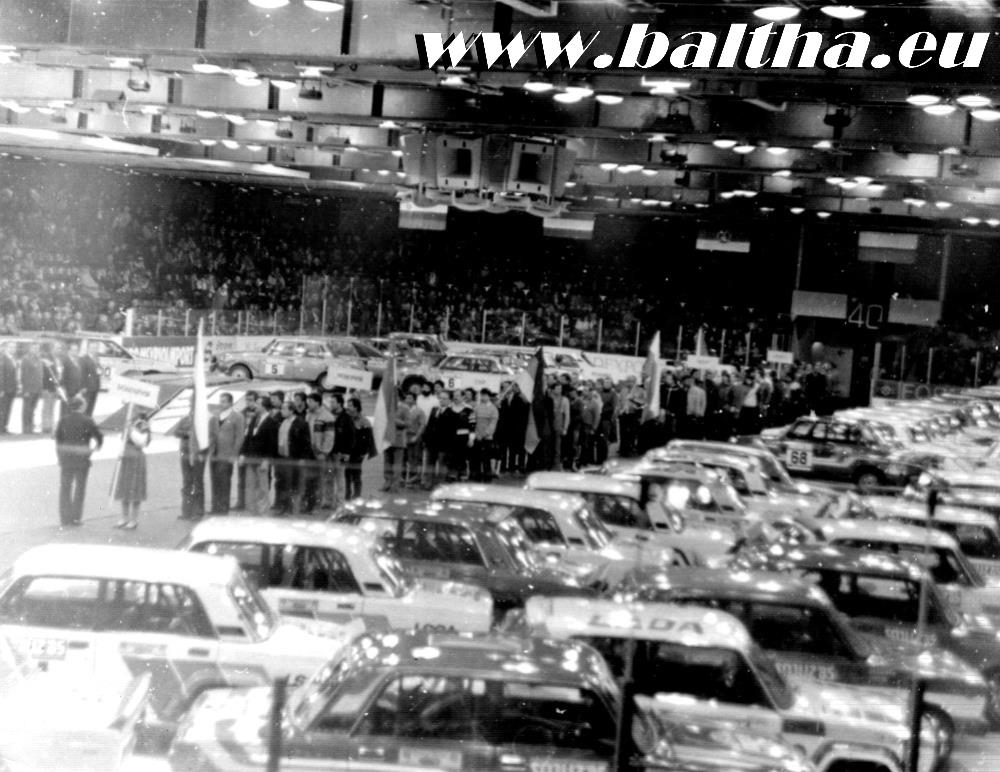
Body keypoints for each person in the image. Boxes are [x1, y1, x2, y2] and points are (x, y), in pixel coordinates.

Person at [54, 395, 103, 527]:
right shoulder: (88, 421)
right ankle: (76, 517)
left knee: (65, 488)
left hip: (66, 458)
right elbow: (99, 436)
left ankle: (65, 518)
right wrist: (96, 448)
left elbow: (58, 440)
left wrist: (60, 456)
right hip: (82, 458)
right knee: (80, 488)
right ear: (82, 406)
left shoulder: (63, 420)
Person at [243, 395, 280, 516]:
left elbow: (272, 443)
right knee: (250, 485)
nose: (255, 406)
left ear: (264, 407)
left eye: (258, 404)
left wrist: (267, 460)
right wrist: (243, 454)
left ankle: (263, 512)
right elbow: (248, 437)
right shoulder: (254, 420)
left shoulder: (272, 422)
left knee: (262, 487)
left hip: (262, 459)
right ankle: (252, 511)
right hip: (251, 457)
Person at [208, 392, 245, 514]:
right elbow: (211, 434)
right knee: (215, 481)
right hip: (215, 453)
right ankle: (215, 507)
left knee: (224, 481)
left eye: (224, 401)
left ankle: (223, 508)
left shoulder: (237, 417)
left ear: (230, 403)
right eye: (220, 401)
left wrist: (234, 454)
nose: (221, 404)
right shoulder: (215, 416)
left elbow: (239, 437)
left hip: (227, 454)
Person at [114, 414, 150, 530]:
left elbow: (142, 442)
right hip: (126, 458)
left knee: (135, 489)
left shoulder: (143, 425)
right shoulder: (129, 424)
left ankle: (133, 520)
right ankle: (124, 518)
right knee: (124, 488)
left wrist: (130, 430)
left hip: (136, 459)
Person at [274, 400, 310, 515]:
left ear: (291, 410)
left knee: (292, 484)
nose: (282, 411)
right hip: (282, 456)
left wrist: (303, 458)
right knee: (283, 483)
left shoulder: (301, 424)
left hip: (293, 457)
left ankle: (291, 508)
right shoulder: (283, 422)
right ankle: (283, 507)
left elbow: (306, 443)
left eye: (284, 409)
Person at [304, 392, 335, 512]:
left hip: (320, 453)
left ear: (317, 402)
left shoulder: (327, 417)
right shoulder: (309, 415)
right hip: (309, 451)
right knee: (309, 479)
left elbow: (329, 436)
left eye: (311, 401)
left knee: (320, 479)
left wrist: (324, 452)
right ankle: (309, 503)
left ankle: (317, 504)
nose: (308, 403)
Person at [235, 391, 265, 511]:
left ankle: (255, 503)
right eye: (247, 400)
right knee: (241, 477)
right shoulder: (242, 413)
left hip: (255, 449)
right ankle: (241, 502)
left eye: (251, 400)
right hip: (243, 447)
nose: (248, 402)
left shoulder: (259, 414)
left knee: (257, 479)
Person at [173, 413, 206, 521]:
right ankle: (186, 511)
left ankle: (198, 511)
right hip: (185, 453)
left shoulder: (203, 419)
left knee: (197, 482)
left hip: (197, 454)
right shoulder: (185, 419)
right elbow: (176, 432)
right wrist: (187, 433)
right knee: (187, 481)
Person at [345, 396, 375, 500]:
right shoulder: (347, 419)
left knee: (356, 474)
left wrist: (363, 452)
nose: (348, 408)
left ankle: (357, 495)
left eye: (350, 406)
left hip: (357, 452)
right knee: (347, 473)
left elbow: (368, 439)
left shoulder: (364, 421)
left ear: (356, 407)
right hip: (347, 451)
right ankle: (347, 494)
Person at [328, 393, 354, 509]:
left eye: (333, 402)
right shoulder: (329, 415)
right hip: (329, 451)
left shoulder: (346, 418)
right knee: (328, 477)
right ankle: (328, 501)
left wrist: (347, 452)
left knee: (340, 479)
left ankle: (340, 503)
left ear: (339, 403)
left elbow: (351, 436)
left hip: (340, 452)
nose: (330, 404)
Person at [382, 391, 409, 492]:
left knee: (397, 463)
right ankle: (387, 483)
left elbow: (408, 423)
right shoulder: (386, 407)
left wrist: (395, 421)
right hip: (387, 438)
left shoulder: (404, 408)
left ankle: (395, 485)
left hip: (398, 438)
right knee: (387, 462)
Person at [472, 388, 499, 481]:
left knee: (486, 459)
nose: (483, 397)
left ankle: (487, 478)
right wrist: (476, 434)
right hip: (477, 437)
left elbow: (492, 425)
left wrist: (484, 434)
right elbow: (473, 422)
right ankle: (477, 478)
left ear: (489, 396)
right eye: (482, 395)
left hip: (487, 438)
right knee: (476, 458)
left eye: (485, 395)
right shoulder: (477, 408)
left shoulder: (493, 409)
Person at [403, 391, 426, 486]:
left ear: (414, 400)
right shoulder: (403, 410)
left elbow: (422, 425)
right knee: (404, 458)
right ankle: (403, 478)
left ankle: (415, 478)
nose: (407, 400)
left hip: (414, 437)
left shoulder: (419, 411)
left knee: (415, 458)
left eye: (410, 398)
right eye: (406, 398)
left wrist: (416, 437)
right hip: (404, 437)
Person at [19, 344, 43, 435]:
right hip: (29, 389)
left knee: (33, 409)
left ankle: (31, 427)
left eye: (37, 348)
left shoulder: (39, 359)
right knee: (27, 409)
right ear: (30, 349)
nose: (36, 350)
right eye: (34, 348)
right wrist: (26, 390)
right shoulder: (26, 359)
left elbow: (40, 375)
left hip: (37, 389)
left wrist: (40, 388)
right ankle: (26, 428)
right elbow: (24, 375)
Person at [78, 343, 101, 417]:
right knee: (85, 408)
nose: (95, 349)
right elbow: (82, 374)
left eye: (96, 348)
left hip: (95, 387)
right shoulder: (83, 359)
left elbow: (99, 371)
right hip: (87, 388)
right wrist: (83, 386)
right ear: (88, 349)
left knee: (91, 408)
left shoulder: (97, 359)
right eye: (93, 347)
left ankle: (88, 421)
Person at [0, 342, 16, 434]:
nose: (12, 349)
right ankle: (1, 428)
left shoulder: (12, 359)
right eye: (10, 347)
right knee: (3, 409)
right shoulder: (2, 359)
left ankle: (5, 427)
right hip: (4, 389)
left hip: (12, 389)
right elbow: (1, 375)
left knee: (8, 409)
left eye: (14, 347)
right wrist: (1, 389)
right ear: (6, 348)